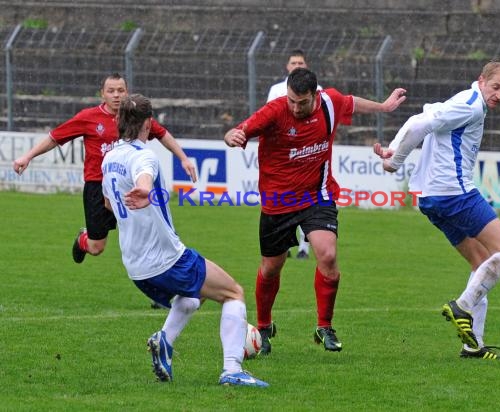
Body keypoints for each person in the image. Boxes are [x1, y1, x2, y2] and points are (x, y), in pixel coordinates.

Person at [224, 67, 406, 354]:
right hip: (278, 201)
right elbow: (239, 130)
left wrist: (383, 106)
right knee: (271, 268)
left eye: (302, 102)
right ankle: (264, 325)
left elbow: (351, 102)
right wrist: (232, 136)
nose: (295, 108)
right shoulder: (274, 111)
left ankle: (324, 327)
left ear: (315, 96)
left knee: (328, 255)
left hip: (316, 195)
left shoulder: (329, 103)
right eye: (291, 101)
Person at [101, 94, 268, 387]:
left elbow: (106, 203)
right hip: (166, 258)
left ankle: (164, 340)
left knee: (193, 296)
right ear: (149, 123)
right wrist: (143, 190)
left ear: (118, 121)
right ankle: (232, 370)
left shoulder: (110, 158)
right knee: (233, 293)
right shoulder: (144, 156)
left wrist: (137, 198)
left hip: (134, 264)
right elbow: (144, 178)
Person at [374, 61, 500, 360]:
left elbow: (421, 118)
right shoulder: (472, 106)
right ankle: (462, 307)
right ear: (481, 80)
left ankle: (473, 346)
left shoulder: (461, 100)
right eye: (496, 87)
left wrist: (392, 152)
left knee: (480, 262)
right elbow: (418, 124)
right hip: (455, 194)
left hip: (432, 199)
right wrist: (395, 162)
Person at [12, 73, 196, 266]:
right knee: (96, 247)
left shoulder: (136, 117)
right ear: (102, 94)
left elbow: (162, 134)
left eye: (121, 90)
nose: (116, 95)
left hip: (130, 186)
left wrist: (183, 159)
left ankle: (163, 274)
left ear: (127, 92)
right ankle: (83, 240)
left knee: (154, 233)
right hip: (98, 187)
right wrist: (28, 156)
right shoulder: (88, 117)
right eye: (111, 91)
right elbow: (55, 137)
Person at [267, 49, 321, 260]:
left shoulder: (317, 90)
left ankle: (303, 248)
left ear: (305, 66)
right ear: (287, 66)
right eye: (293, 62)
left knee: (307, 203)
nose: (297, 65)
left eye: (300, 62)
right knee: (283, 204)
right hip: (282, 158)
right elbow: (268, 117)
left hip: (307, 157)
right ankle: (284, 246)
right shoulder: (277, 90)